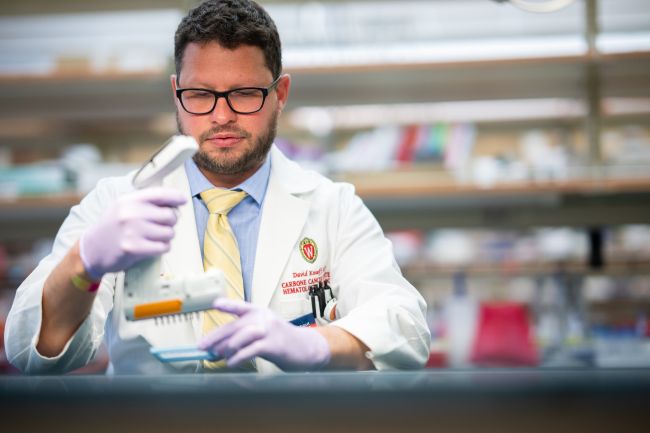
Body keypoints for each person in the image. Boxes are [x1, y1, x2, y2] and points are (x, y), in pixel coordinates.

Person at [4, 0, 430, 374]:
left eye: (244, 93)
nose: (222, 116)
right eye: (200, 94)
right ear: (176, 94)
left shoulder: (334, 207)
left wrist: (316, 345)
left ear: (280, 93)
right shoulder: (116, 204)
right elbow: (35, 351)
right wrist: (85, 264)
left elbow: (405, 326)